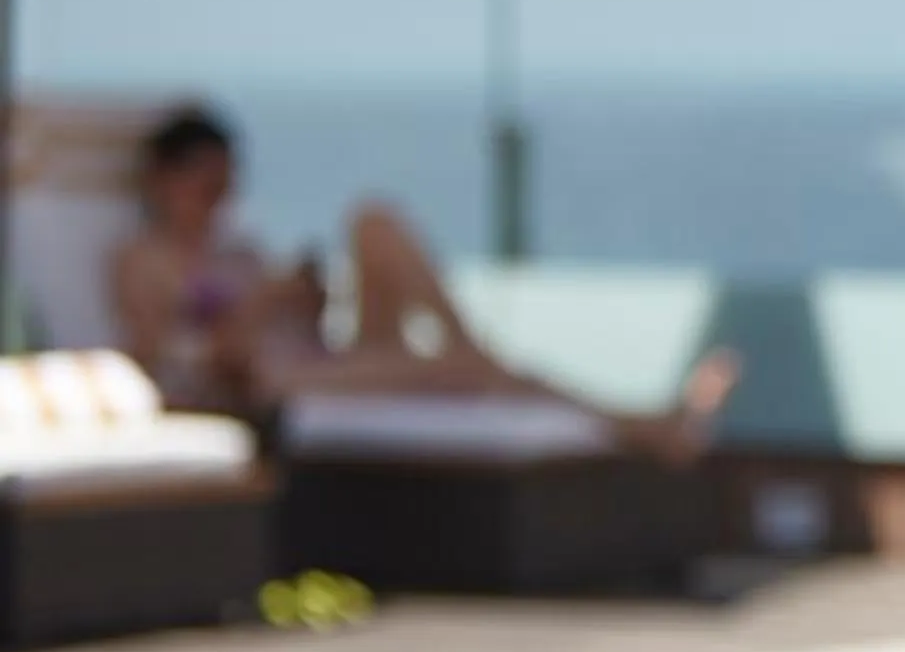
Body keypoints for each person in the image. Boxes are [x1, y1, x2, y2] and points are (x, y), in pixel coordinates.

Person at [109, 104, 734, 460]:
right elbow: (173, 359)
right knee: (464, 371)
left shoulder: (239, 249)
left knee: (373, 219)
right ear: (165, 181)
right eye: (207, 183)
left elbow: (301, 321)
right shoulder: (143, 259)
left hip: (317, 357)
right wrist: (265, 301)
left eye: (228, 183)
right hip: (261, 385)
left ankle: (468, 340)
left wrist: (305, 296)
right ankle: (649, 426)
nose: (221, 198)